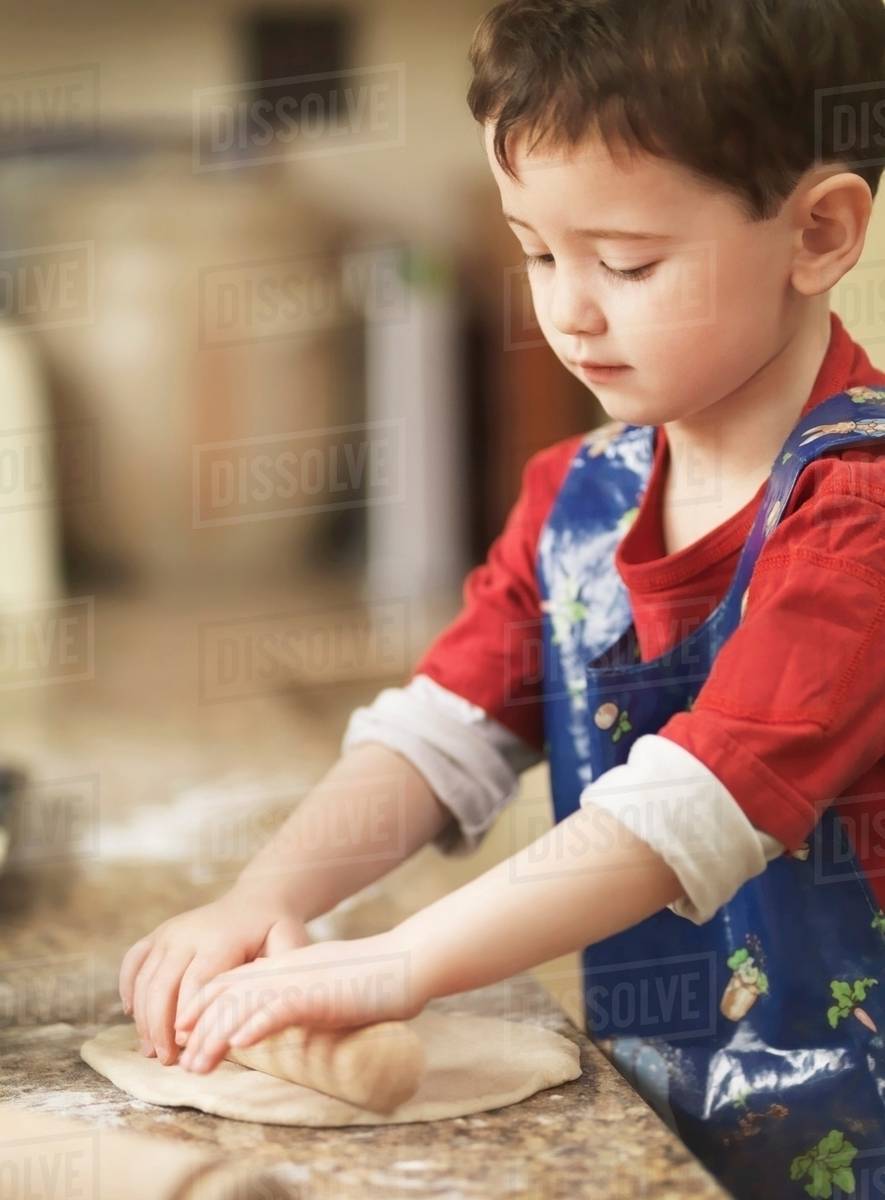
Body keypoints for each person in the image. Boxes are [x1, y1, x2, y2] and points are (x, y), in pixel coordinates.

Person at [120, 2, 885, 1194]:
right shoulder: (580, 494)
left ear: (820, 231)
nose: (568, 312)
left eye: (627, 263)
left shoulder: (860, 522)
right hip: (670, 1120)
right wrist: (269, 893)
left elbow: (691, 809)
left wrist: (400, 963)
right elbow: (445, 730)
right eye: (535, 250)